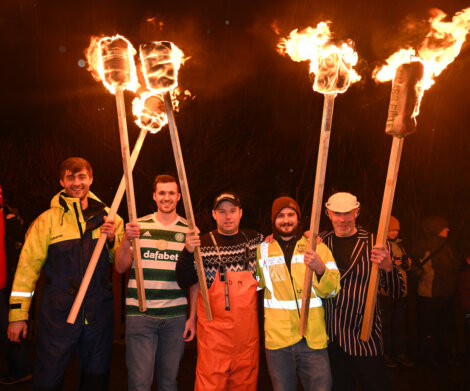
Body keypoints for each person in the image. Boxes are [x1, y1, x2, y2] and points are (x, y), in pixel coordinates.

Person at [7, 157, 124, 390]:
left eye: (82, 176)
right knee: (47, 379)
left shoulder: (110, 218)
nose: (77, 182)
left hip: (97, 315)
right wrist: (18, 316)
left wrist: (112, 239)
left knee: (96, 379)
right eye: (71, 177)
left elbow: (121, 264)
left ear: (91, 178)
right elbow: (26, 270)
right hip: (57, 315)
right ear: (62, 181)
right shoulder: (46, 221)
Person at [114, 174, 197, 391]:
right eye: (162, 193)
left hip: (175, 316)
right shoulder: (138, 226)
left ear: (179, 196)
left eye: (171, 193)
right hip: (141, 313)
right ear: (154, 196)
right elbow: (120, 267)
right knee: (139, 383)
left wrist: (192, 318)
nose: (166, 197)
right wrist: (125, 239)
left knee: (169, 383)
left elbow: (194, 281)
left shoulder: (189, 231)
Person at [176, 192, 263, 391]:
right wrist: (188, 251)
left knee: (245, 385)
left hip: (246, 340)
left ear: (241, 213)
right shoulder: (202, 244)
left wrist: (307, 236)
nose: (228, 216)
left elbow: (280, 243)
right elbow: (185, 280)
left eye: (233, 211)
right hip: (214, 338)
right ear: (214, 215)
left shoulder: (255, 240)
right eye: (222, 212)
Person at [320, 192, 403, 391]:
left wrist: (388, 267)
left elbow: (398, 292)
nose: (342, 219)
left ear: (357, 212)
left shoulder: (376, 243)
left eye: (347, 213)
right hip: (331, 337)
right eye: (337, 213)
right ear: (327, 213)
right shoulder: (321, 241)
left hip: (365, 336)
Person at [256, 196, 340, 391]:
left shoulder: (317, 246)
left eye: (291, 215)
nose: (286, 220)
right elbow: (253, 285)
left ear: (298, 218)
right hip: (278, 342)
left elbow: (333, 290)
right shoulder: (262, 250)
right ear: (273, 220)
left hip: (313, 340)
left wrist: (320, 268)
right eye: (281, 216)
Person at [412, 216, 460, 366]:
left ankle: (440, 357)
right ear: (436, 229)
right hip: (430, 294)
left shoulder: (446, 246)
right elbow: (411, 263)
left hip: (444, 293)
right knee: (430, 327)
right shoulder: (424, 246)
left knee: (442, 326)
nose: (448, 229)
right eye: (444, 227)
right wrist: (420, 274)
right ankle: (429, 358)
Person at [0, 188, 32, 385]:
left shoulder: (7, 216)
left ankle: (20, 370)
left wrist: (11, 220)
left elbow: (25, 239)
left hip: (6, 281)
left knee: (8, 328)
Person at [380, 216, 414, 367]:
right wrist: (392, 263)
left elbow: (406, 267)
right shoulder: (380, 245)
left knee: (399, 324)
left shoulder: (400, 245)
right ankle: (385, 354)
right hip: (386, 291)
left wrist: (406, 264)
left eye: (397, 230)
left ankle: (399, 353)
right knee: (386, 324)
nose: (395, 233)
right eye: (392, 230)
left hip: (401, 290)